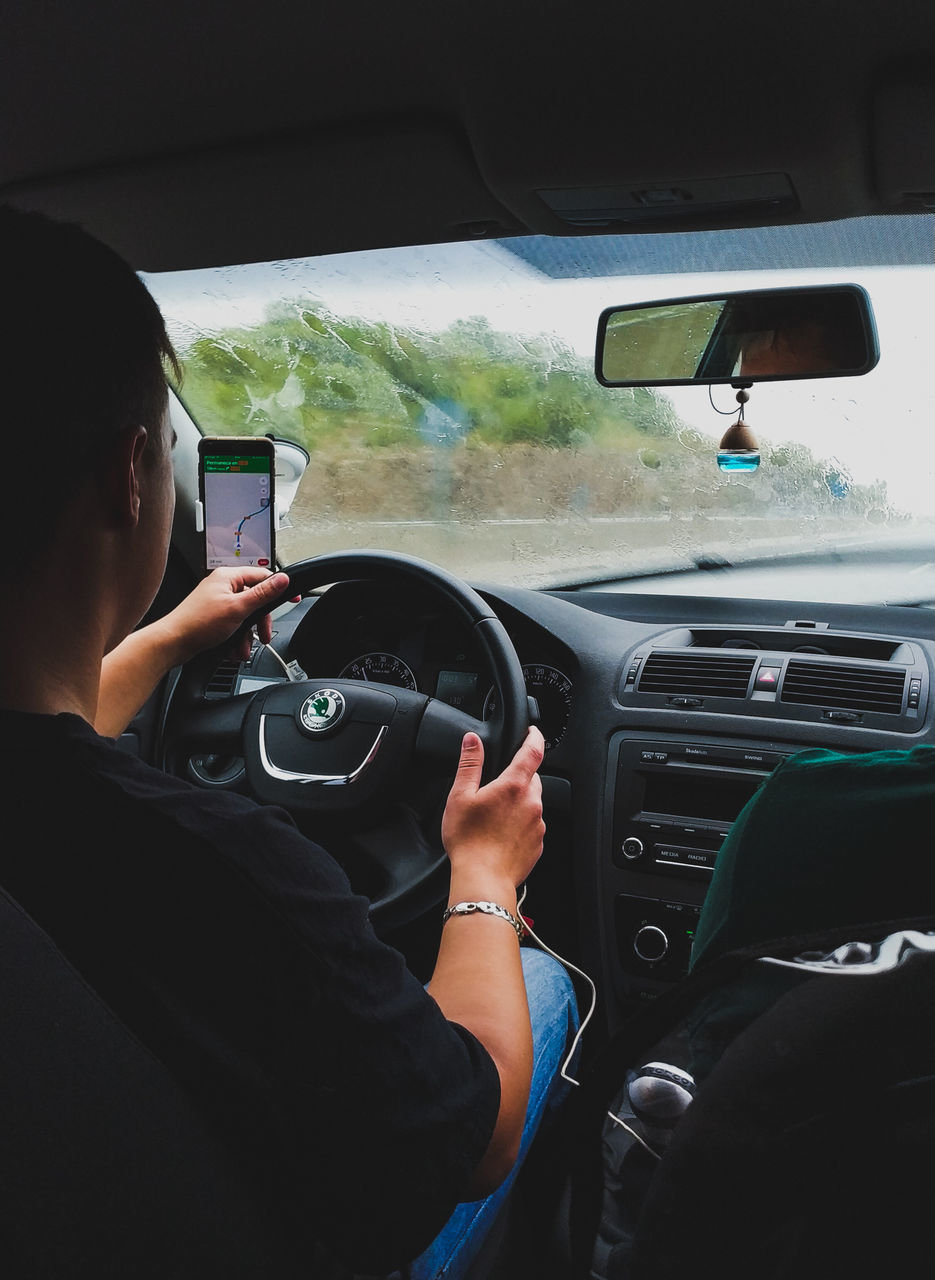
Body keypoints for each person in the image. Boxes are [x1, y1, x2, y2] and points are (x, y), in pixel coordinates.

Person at [0, 205, 577, 1277]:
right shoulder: (220, 867)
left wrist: (171, 636)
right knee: (540, 987)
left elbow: (51, 737)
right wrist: (484, 873)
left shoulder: (60, 813)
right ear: (133, 474)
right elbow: (478, 1132)